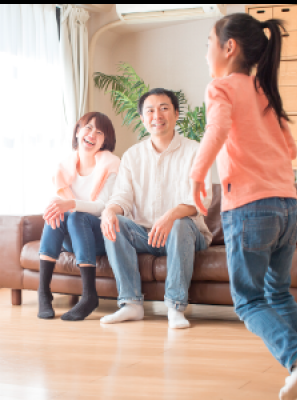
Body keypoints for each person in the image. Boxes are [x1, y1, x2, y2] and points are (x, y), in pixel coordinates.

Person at [190, 14, 297, 400]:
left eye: (208, 42)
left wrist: (197, 175)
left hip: (249, 208)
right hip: (288, 206)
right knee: (279, 293)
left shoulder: (220, 87)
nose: (206, 51)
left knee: (248, 301)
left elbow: (217, 129)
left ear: (229, 47)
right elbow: (290, 148)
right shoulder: (265, 90)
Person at [99, 88, 213, 328]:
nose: (157, 116)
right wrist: (109, 211)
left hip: (187, 234)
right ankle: (131, 304)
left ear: (176, 114)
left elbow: (201, 200)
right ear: (143, 118)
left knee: (180, 223)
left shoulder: (195, 151)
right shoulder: (132, 156)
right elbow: (121, 197)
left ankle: (175, 307)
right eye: (150, 111)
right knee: (114, 222)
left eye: (164, 109)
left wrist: (171, 216)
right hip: (146, 235)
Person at [38, 112, 120, 321]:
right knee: (56, 212)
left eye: (99, 132)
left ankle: (89, 295)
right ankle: (43, 292)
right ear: (77, 132)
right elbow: (60, 200)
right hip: (72, 239)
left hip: (100, 237)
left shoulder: (111, 164)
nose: (92, 134)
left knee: (75, 216)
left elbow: (103, 206)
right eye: (88, 128)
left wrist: (71, 204)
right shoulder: (64, 167)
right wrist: (58, 205)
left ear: (105, 141)